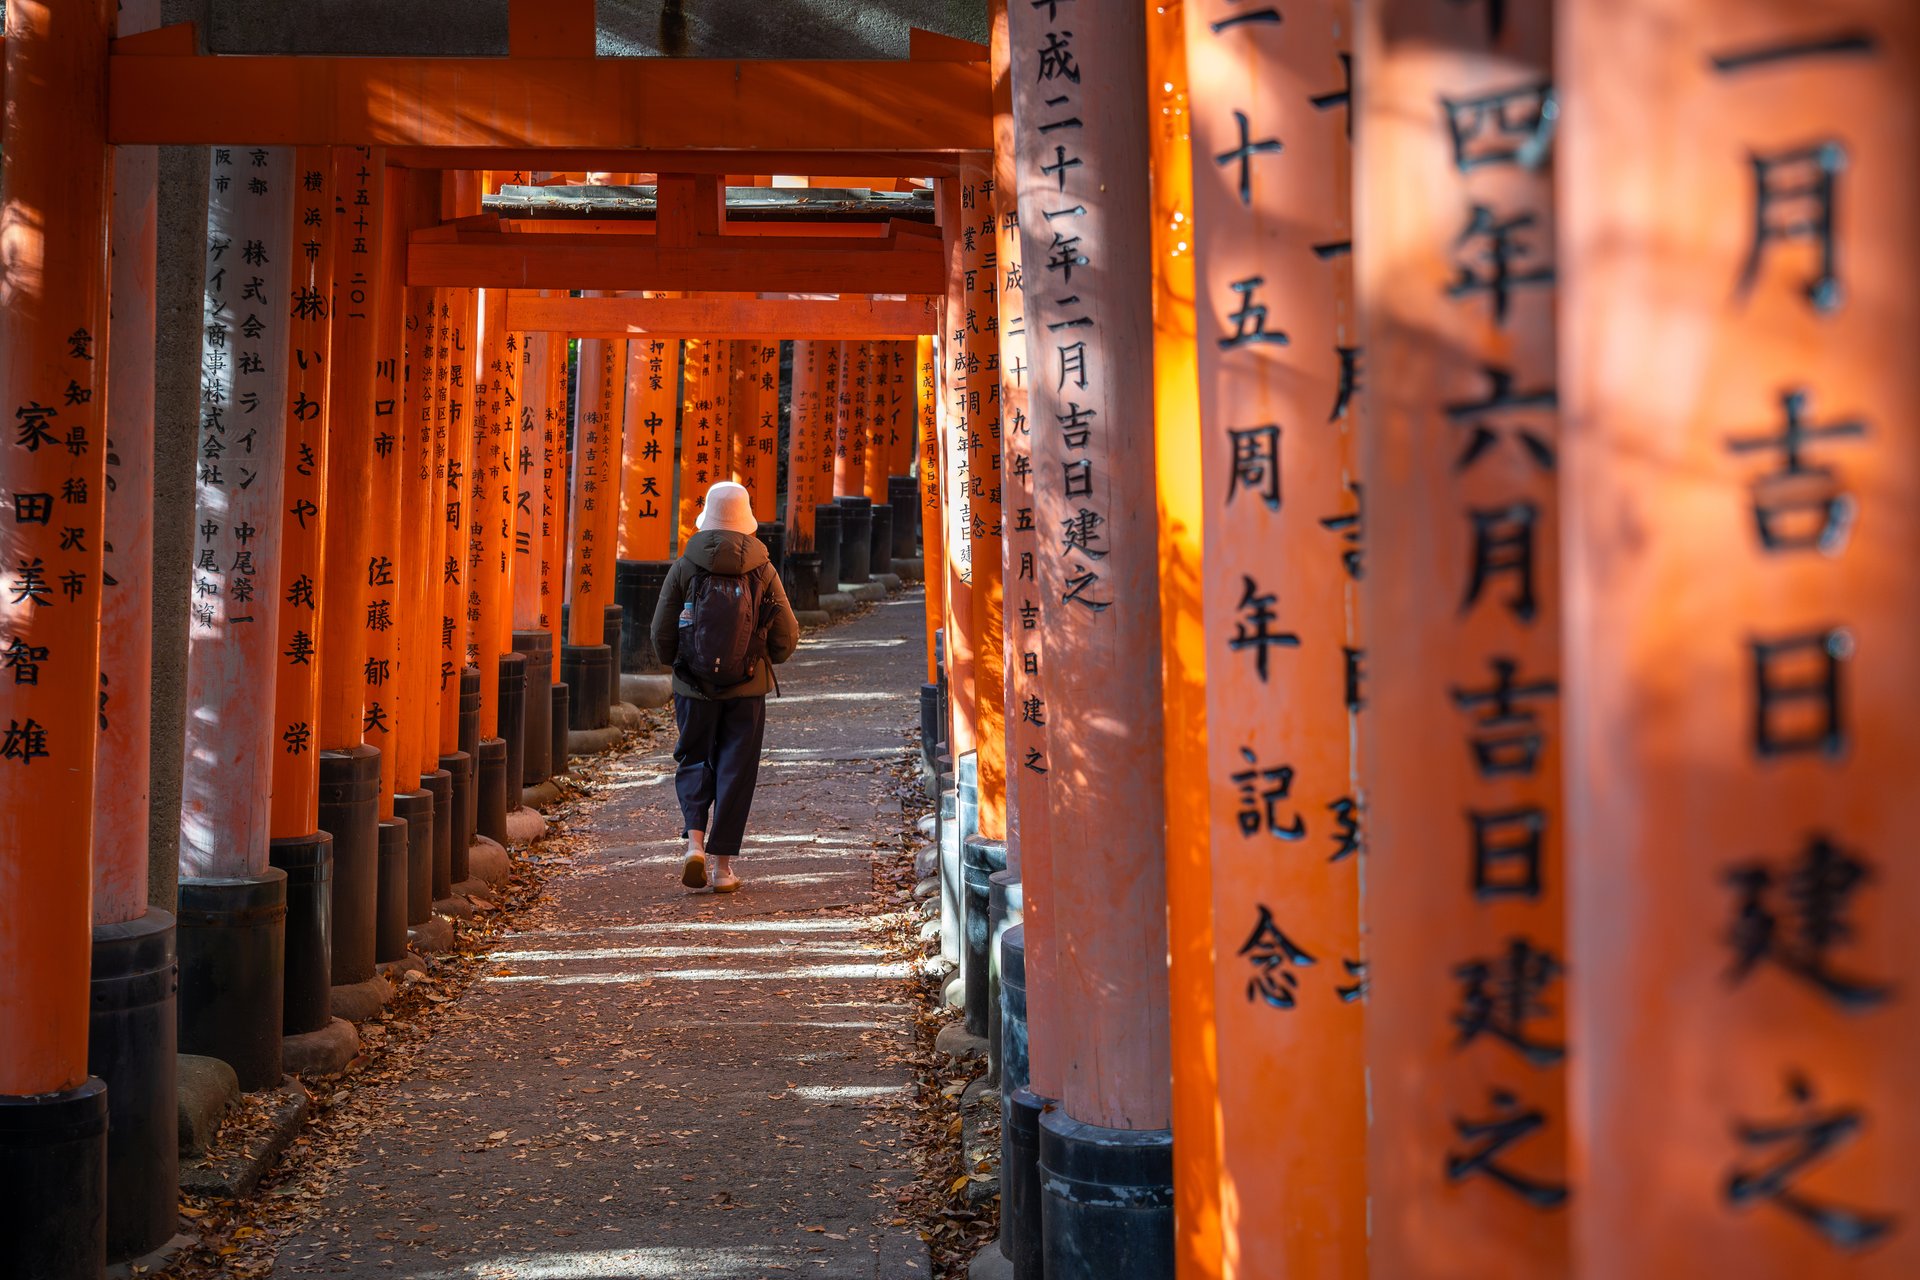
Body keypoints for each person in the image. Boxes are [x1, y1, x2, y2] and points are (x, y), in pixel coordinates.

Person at [651, 481, 800, 893]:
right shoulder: (763, 568)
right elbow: (786, 636)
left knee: (695, 758)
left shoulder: (685, 565)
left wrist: (678, 664)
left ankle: (694, 844)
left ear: (708, 517)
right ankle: (722, 868)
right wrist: (762, 661)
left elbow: (661, 631)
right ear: (745, 519)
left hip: (692, 687)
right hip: (746, 689)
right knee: (736, 770)